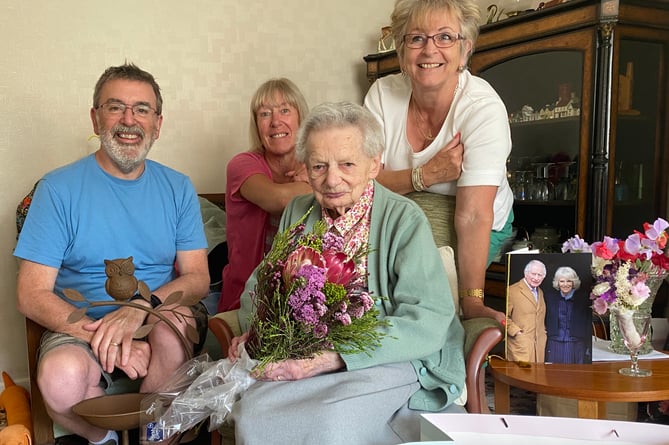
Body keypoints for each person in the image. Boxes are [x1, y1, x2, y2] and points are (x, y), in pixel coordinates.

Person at [228, 102, 466, 444]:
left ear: (374, 164)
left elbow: (428, 320)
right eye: (319, 166)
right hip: (303, 351)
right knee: (253, 414)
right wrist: (258, 332)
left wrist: (334, 357)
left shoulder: (404, 218)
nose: (332, 179)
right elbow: (262, 286)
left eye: (347, 164)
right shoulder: (298, 209)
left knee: (331, 421)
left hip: (388, 355)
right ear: (306, 169)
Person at [14, 63, 210, 445]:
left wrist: (140, 308)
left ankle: (153, 441)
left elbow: (197, 277)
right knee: (59, 378)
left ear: (157, 123)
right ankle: (104, 440)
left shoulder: (178, 187)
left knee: (172, 332)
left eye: (141, 109)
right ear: (95, 117)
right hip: (80, 324)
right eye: (115, 107)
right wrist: (109, 337)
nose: (128, 120)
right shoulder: (56, 190)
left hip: (159, 314)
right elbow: (31, 293)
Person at [364, 0, 513, 325]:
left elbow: (473, 215)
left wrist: (471, 302)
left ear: (465, 50)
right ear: (402, 52)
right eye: (416, 38)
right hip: (399, 206)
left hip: (472, 211)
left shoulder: (482, 108)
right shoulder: (381, 95)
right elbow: (361, 185)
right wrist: (425, 175)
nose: (430, 49)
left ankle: (446, 371)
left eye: (445, 37)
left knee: (430, 289)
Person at [219, 78, 312, 313]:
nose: (275, 122)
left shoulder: (317, 166)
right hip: (246, 298)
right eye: (265, 114)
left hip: (302, 300)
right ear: (256, 125)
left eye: (284, 111)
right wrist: (318, 182)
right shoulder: (242, 164)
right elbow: (278, 200)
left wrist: (316, 172)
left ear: (301, 118)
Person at [544, 266, 591, 364]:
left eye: (569, 281)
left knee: (573, 376)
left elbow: (587, 323)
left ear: (574, 282)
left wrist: (588, 346)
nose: (565, 284)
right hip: (554, 343)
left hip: (576, 343)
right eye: (562, 281)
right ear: (557, 282)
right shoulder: (549, 298)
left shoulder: (584, 299)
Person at [506, 259, 547, 363]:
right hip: (520, 346)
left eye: (540, 275)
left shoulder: (540, 292)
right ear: (526, 273)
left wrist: (544, 333)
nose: (536, 278)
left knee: (537, 378)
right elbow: (502, 316)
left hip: (539, 347)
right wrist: (515, 332)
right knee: (521, 376)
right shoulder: (511, 290)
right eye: (534, 274)